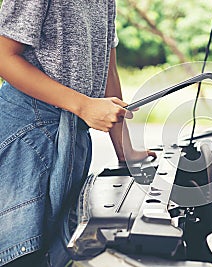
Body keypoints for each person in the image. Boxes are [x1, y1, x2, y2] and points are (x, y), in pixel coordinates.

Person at [0, 0, 156, 266]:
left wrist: (125, 152)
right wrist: (83, 105)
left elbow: (108, 69)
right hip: (27, 137)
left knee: (55, 254)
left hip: (72, 137)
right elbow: (4, 56)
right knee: (20, 255)